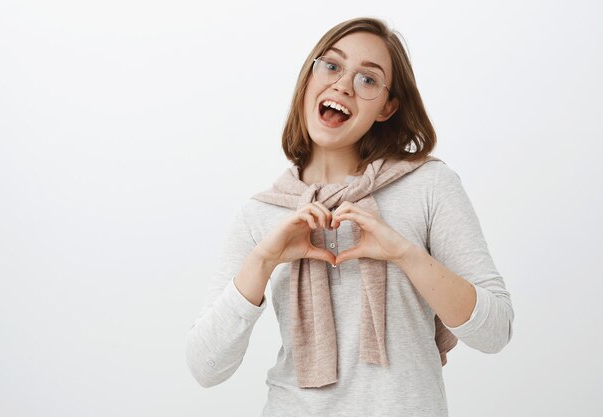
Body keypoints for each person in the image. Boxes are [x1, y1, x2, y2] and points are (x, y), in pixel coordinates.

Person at [186, 17, 514, 417]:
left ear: (387, 107)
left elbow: (495, 331)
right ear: (309, 78)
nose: (343, 84)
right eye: (332, 66)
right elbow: (205, 368)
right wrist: (263, 260)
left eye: (368, 79)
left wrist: (404, 253)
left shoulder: (429, 185)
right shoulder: (262, 212)